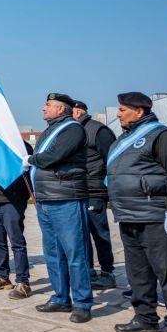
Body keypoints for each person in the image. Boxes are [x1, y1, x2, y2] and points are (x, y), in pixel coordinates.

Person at [107, 92, 167, 332]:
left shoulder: (162, 136)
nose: (119, 114)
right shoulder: (123, 140)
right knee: (138, 274)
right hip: (128, 215)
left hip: (155, 216)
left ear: (139, 111)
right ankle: (145, 318)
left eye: (123, 109)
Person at [24, 93, 93, 323]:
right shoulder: (49, 130)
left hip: (66, 198)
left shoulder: (72, 129)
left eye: (49, 105)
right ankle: (61, 298)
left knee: (75, 253)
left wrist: (31, 160)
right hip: (46, 200)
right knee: (53, 254)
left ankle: (82, 302)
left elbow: (51, 157)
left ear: (61, 109)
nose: (43, 108)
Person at [72, 100, 118, 290]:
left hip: (94, 191)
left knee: (99, 234)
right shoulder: (73, 131)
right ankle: (89, 271)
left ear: (79, 111)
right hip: (77, 191)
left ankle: (107, 273)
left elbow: (112, 159)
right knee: (81, 234)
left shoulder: (97, 130)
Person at [0, 142, 35, 299]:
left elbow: (26, 167)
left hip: (12, 201)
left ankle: (23, 282)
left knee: (17, 243)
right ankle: (2, 276)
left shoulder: (19, 145)